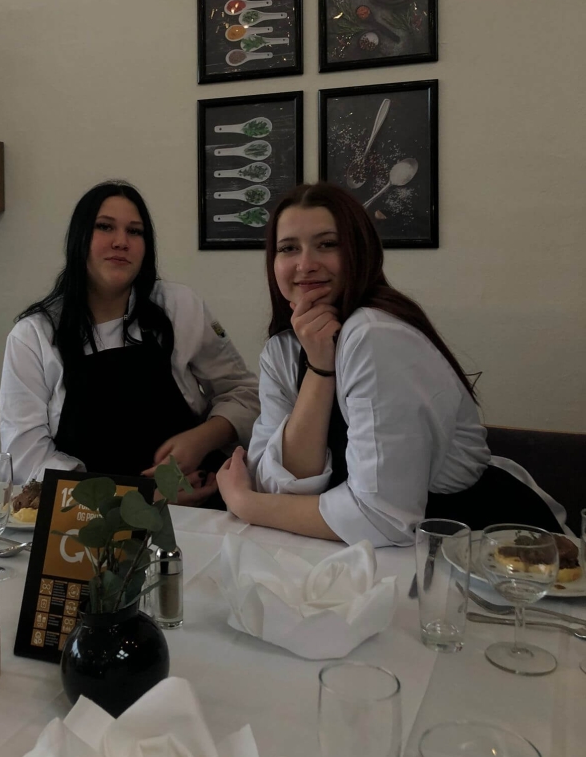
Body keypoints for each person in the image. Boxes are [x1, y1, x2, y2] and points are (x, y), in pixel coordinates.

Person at [216, 182, 566, 546]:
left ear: (360, 251)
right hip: (372, 551)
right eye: (289, 248)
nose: (305, 264)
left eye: (328, 244)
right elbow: (278, 487)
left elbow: (382, 517)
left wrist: (245, 503)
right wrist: (320, 369)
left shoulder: (374, 335)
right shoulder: (283, 350)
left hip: (480, 543)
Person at [0, 181, 259, 505]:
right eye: (105, 227)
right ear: (79, 238)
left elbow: (245, 393)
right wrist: (140, 498)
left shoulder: (180, 307)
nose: (121, 242)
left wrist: (204, 437)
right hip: (90, 518)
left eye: (135, 231)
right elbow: (24, 459)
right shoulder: (34, 335)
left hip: (198, 510)